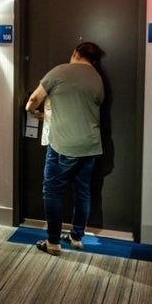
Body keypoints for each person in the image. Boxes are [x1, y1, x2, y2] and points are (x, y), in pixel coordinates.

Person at [25, 42, 104, 256]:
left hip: (63, 145)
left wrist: (31, 110)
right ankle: (77, 237)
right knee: (83, 191)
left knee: (52, 190)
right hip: (90, 146)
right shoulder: (97, 78)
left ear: (75, 53)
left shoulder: (59, 71)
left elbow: (34, 99)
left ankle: (53, 242)